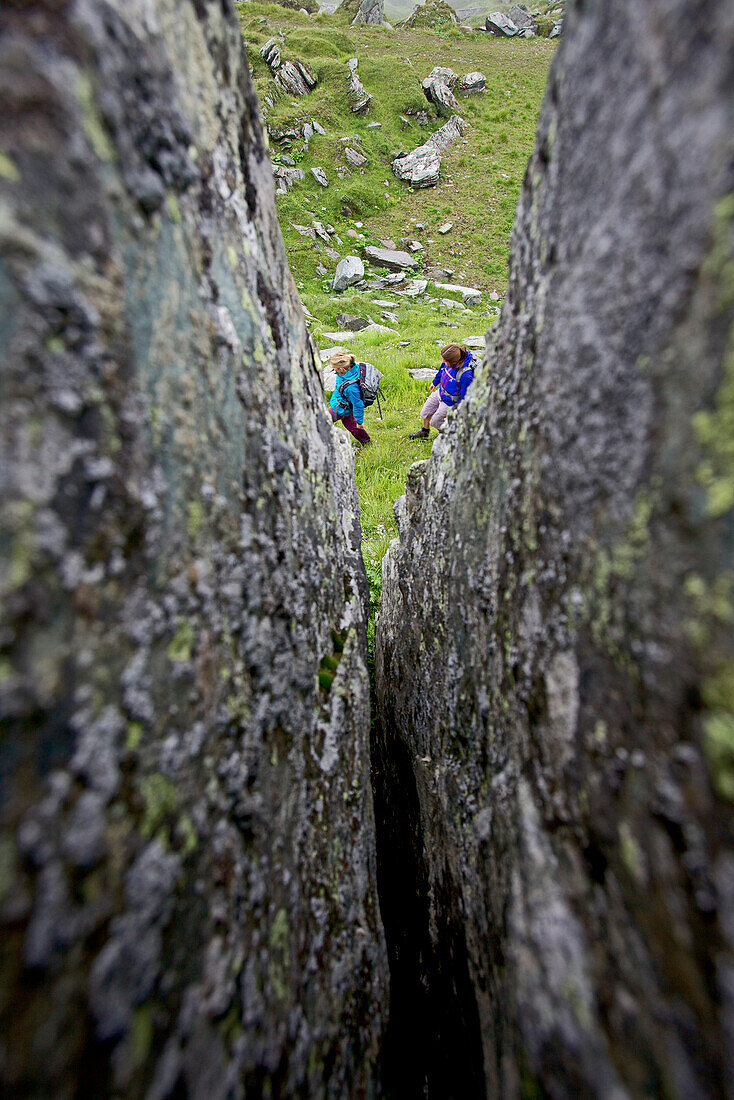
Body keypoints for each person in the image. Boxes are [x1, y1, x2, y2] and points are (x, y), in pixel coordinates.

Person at [408, 343, 474, 439]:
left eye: (445, 360)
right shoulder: (448, 360)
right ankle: (424, 432)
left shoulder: (465, 375)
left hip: (450, 402)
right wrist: (435, 382)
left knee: (436, 421)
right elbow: (441, 370)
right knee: (425, 412)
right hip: (440, 392)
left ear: (454, 362)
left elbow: (465, 397)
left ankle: (445, 436)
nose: (443, 361)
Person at [328, 350, 371, 445]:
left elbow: (358, 404)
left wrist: (360, 421)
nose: (333, 369)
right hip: (344, 406)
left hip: (340, 409)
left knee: (323, 419)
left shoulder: (351, 388)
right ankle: (366, 441)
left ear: (342, 370)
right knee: (352, 426)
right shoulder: (350, 370)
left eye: (334, 368)